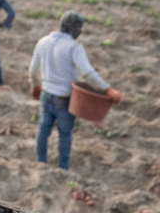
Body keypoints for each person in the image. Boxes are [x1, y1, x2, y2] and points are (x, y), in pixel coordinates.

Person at [29, 11, 121, 170]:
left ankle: (40, 163)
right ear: (75, 30)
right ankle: (62, 168)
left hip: (46, 93)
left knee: (43, 130)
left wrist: (35, 86)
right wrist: (107, 89)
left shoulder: (43, 41)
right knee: (65, 134)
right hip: (64, 98)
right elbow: (88, 73)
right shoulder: (73, 47)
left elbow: (32, 70)